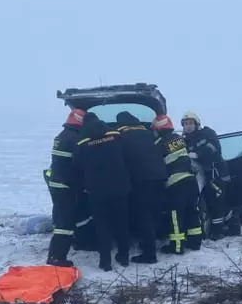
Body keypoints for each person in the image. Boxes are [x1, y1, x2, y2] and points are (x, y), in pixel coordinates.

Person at [74, 113, 133, 272]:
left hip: (97, 191)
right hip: (120, 188)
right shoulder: (116, 138)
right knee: (122, 223)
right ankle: (124, 257)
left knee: (102, 225)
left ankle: (105, 261)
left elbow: (77, 167)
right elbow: (129, 158)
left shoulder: (83, 145)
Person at [114, 111, 167, 263]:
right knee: (155, 212)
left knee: (144, 216)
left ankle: (150, 255)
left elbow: (120, 161)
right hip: (159, 178)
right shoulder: (150, 133)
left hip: (141, 181)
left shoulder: (122, 136)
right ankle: (150, 242)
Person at [182, 111, 237, 239]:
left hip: (217, 174)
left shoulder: (207, 133)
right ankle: (220, 227)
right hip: (204, 176)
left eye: (190, 123)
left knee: (217, 202)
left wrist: (198, 154)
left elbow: (213, 148)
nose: (188, 126)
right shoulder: (185, 140)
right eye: (185, 124)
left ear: (197, 124)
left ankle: (221, 230)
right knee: (211, 202)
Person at [153, 115, 203, 254]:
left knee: (175, 215)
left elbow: (157, 164)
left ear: (158, 129)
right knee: (192, 211)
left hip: (176, 183)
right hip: (191, 181)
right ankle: (195, 242)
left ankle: (177, 246)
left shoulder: (158, 143)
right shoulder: (179, 138)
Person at [44, 107, 87, 267]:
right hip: (65, 184)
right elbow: (78, 164)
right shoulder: (74, 138)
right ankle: (56, 256)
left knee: (63, 216)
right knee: (65, 222)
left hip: (57, 182)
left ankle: (64, 249)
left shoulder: (62, 136)